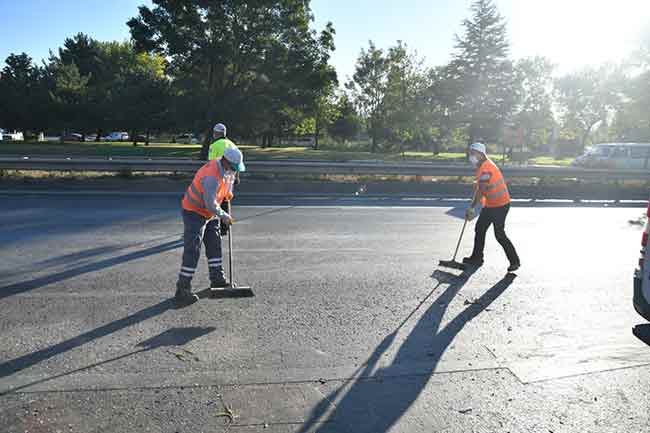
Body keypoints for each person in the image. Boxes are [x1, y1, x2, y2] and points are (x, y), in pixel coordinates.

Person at [175, 146, 246, 304]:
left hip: (209, 212)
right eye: (234, 168)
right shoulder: (211, 176)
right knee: (193, 248)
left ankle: (217, 279)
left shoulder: (225, 170)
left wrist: (228, 191)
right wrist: (224, 215)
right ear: (226, 162)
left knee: (215, 244)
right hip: (194, 211)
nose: (235, 171)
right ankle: (182, 289)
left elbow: (225, 189)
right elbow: (209, 203)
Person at [463, 142, 520, 272]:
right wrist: (473, 206)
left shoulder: (487, 167)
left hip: (501, 205)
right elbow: (481, 188)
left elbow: (482, 189)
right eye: (470, 153)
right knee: (480, 229)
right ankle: (477, 258)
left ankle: (515, 261)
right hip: (490, 205)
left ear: (481, 154)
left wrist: (472, 207)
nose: (471, 155)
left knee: (499, 234)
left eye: (473, 153)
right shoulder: (482, 165)